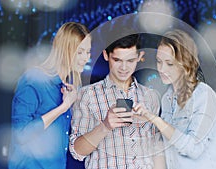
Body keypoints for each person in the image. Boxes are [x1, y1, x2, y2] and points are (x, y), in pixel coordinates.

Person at [133, 29, 216, 169]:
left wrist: (155, 119)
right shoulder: (167, 98)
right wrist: (148, 122)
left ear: (184, 63)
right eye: (159, 61)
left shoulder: (204, 95)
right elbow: (168, 149)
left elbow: (193, 149)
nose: (161, 68)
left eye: (169, 63)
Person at [69, 34, 165, 169]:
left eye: (130, 60)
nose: (124, 67)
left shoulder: (151, 97)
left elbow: (157, 149)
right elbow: (77, 152)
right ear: (106, 55)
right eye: (117, 60)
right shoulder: (87, 95)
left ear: (139, 56)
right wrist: (106, 126)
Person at [8, 22, 91, 169]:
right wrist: (63, 107)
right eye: (80, 52)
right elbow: (20, 135)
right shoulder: (34, 79)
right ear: (65, 49)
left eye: (88, 52)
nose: (86, 58)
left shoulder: (67, 89)